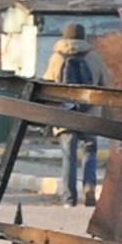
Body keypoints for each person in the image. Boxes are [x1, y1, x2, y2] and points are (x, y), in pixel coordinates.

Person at [47, 20, 104, 205]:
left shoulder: (57, 57)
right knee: (90, 151)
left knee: (68, 156)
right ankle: (89, 188)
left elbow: (48, 84)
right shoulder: (93, 57)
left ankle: (69, 198)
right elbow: (106, 83)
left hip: (66, 115)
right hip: (90, 114)